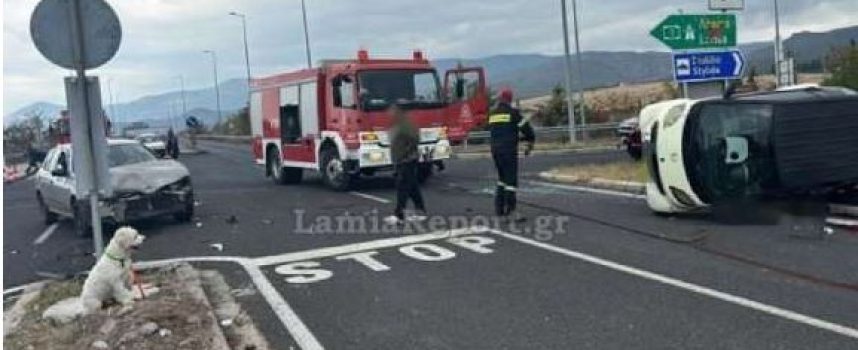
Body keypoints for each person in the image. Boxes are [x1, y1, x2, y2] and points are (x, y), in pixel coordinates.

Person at [488, 88, 535, 221]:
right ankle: (511, 210)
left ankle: (499, 208)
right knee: (511, 181)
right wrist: (528, 142)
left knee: (502, 178)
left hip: (495, 151)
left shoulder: (492, 114)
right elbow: (527, 130)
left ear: (499, 99)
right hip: (508, 150)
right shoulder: (513, 113)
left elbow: (499, 131)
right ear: (510, 99)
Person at [385, 103, 427, 225]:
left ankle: (399, 215)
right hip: (401, 160)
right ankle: (420, 210)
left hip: (407, 160)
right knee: (412, 186)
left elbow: (415, 138)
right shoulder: (397, 124)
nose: (390, 113)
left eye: (392, 111)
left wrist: (407, 153)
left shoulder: (405, 124)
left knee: (402, 186)